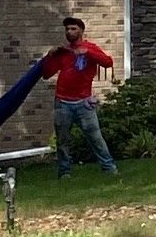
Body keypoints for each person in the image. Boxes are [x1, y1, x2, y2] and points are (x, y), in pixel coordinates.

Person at [41, 15, 119, 177]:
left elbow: (108, 62)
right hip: (62, 103)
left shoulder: (90, 48)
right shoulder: (63, 53)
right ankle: (64, 172)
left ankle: (109, 168)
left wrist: (88, 53)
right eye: (67, 29)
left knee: (96, 138)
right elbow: (47, 74)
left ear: (81, 31)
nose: (69, 32)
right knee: (62, 141)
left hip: (84, 103)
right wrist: (49, 57)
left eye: (73, 29)